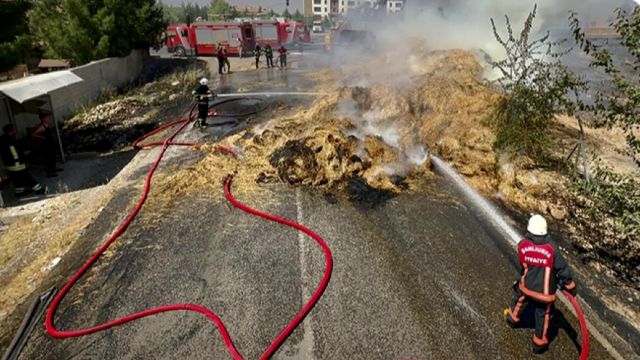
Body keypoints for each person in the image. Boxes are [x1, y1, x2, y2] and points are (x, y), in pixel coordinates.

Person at [504, 214, 577, 354]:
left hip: (526, 287)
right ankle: (538, 344)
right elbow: (562, 269)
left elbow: (524, 266)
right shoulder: (552, 249)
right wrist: (570, 286)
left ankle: (512, 319)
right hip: (545, 294)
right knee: (543, 317)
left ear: (529, 230)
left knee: (519, 302)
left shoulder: (522, 245)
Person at [0, 124, 46, 196]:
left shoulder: (2, 141)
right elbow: (18, 153)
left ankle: (20, 192)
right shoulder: (12, 141)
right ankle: (41, 190)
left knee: (17, 180)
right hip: (18, 165)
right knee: (28, 179)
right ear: (10, 132)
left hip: (9, 166)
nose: (15, 131)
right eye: (14, 129)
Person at [30, 112, 61, 177]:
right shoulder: (41, 126)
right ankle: (49, 172)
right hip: (45, 144)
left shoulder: (47, 124)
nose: (47, 118)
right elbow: (33, 134)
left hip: (50, 142)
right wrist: (42, 137)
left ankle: (53, 169)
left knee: (53, 156)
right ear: (43, 119)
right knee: (48, 158)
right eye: (46, 117)